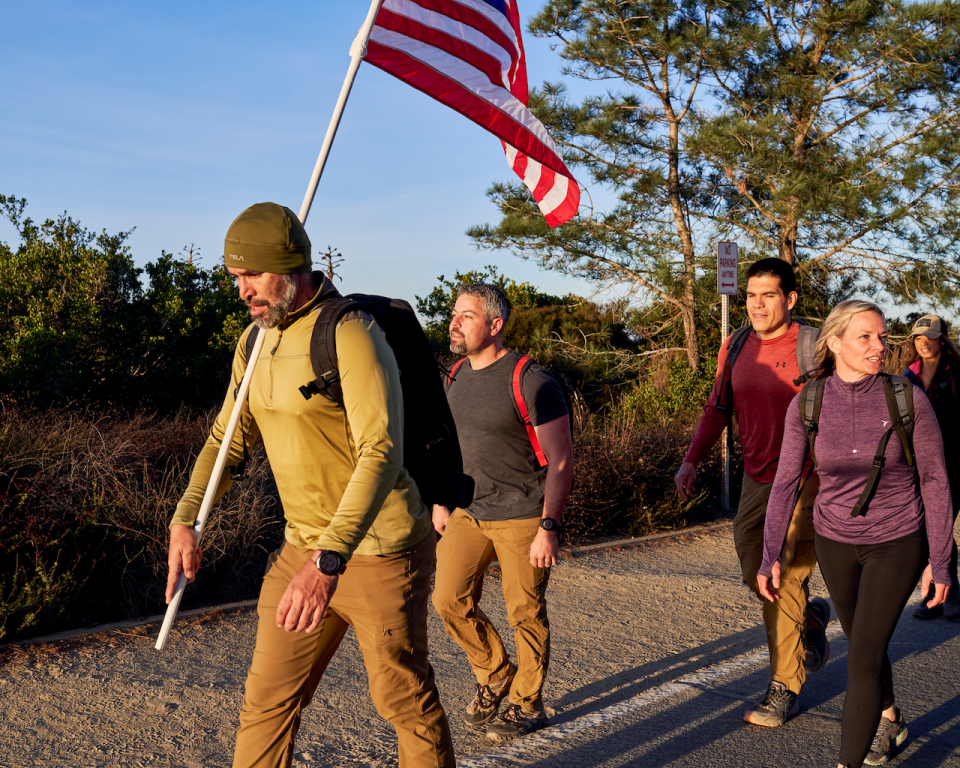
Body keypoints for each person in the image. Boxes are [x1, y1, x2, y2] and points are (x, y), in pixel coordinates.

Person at [164, 203, 454, 768]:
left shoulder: (351, 333)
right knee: (267, 703)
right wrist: (185, 517)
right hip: (303, 544)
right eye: (235, 277)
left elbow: (383, 452)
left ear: (291, 265)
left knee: (403, 702)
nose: (242, 289)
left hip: (380, 549)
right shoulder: (254, 342)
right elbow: (227, 438)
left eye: (252, 274)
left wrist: (327, 563)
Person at [758, 299, 953, 768]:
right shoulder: (808, 401)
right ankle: (893, 719)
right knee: (867, 640)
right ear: (835, 341)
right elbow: (786, 480)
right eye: (865, 336)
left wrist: (941, 559)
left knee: (861, 657)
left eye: (882, 336)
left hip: (898, 538)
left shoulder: (907, 399)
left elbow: (935, 480)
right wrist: (771, 555)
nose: (877, 346)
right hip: (834, 539)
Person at [675, 257, 830, 727]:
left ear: (790, 299)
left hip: (807, 478)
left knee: (781, 579)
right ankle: (810, 621)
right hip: (759, 478)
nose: (757, 304)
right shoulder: (736, 344)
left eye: (768, 295)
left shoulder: (814, 347)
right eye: (750, 295)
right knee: (754, 570)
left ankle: (785, 687)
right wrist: (691, 459)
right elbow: (717, 407)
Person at [431, 284, 574, 742]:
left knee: (524, 613)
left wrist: (547, 527)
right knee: (447, 600)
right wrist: (441, 500)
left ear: (495, 325)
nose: (455, 323)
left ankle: (527, 703)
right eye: (455, 314)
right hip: (469, 511)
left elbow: (562, 459)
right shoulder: (454, 375)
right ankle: (495, 673)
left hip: (523, 515)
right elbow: (450, 447)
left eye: (467, 316)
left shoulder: (532, 380)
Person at [902, 314, 960, 620]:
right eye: (918, 337)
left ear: (943, 339)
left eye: (930, 336)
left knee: (942, 525)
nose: (923, 343)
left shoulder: (957, 374)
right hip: (920, 465)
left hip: (954, 463)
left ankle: (946, 591)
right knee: (932, 526)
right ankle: (943, 593)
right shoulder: (906, 376)